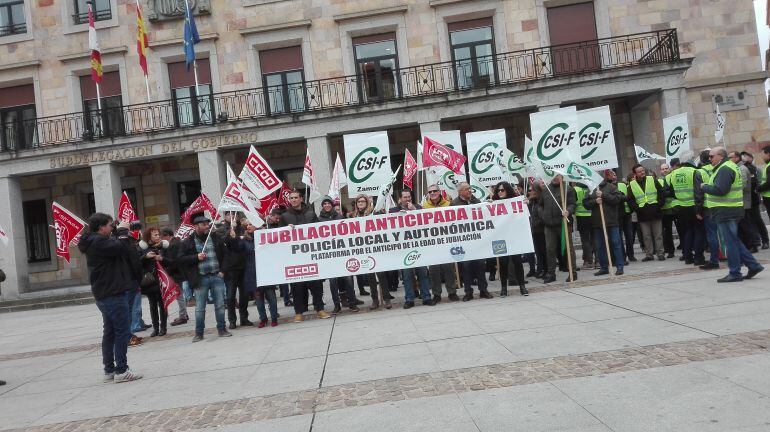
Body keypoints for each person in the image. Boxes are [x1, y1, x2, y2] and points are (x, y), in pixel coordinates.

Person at [78, 213, 142, 383]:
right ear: (101, 227)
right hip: (112, 292)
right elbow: (121, 248)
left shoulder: (93, 241)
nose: (112, 227)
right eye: (109, 225)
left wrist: (120, 234)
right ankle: (121, 370)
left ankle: (109, 369)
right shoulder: (99, 242)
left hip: (103, 292)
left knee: (110, 332)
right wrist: (122, 232)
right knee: (122, 331)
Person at [700, 147, 764, 282]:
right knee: (733, 240)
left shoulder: (725, 169)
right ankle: (753, 265)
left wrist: (704, 187)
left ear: (720, 156)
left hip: (726, 211)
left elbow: (720, 190)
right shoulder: (727, 167)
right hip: (728, 210)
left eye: (712, 156)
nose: (709, 159)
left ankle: (735, 272)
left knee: (731, 242)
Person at [178, 214, 232, 342]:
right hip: (200, 278)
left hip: (216, 276)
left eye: (208, 224)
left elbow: (226, 255)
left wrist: (223, 271)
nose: (207, 226)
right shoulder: (188, 241)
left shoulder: (215, 237)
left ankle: (222, 329)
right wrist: (196, 257)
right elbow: (180, 259)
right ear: (196, 226)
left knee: (220, 305)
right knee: (200, 308)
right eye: (203, 224)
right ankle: (199, 333)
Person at [281, 190, 332, 321]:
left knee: (316, 285)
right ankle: (298, 312)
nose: (293, 200)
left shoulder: (310, 214)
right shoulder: (285, 216)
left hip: (311, 255)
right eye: (291, 198)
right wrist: (285, 229)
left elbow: (320, 232)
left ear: (301, 198)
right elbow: (279, 236)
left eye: (296, 197)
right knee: (297, 286)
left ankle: (319, 309)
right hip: (294, 258)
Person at [390, 189, 435, 308]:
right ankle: (409, 299)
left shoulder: (418, 208)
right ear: (400, 199)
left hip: (418, 247)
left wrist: (414, 211)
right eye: (405, 197)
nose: (407, 199)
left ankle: (426, 297)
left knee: (422, 273)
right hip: (404, 249)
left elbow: (426, 221)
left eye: (409, 197)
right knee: (407, 276)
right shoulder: (393, 211)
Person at [349, 194, 393, 310]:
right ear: (356, 204)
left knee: (381, 275)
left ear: (367, 203)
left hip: (375, 248)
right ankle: (375, 300)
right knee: (370, 277)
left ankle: (386, 298)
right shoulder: (353, 216)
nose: (361, 203)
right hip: (363, 250)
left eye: (363, 201)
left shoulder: (374, 213)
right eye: (359, 202)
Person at [451, 182, 493, 300]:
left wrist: (488, 205)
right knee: (466, 267)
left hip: (477, 241)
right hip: (464, 241)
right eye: (466, 189)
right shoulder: (454, 204)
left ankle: (483, 290)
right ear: (460, 192)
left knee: (480, 265)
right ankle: (468, 292)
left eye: (470, 188)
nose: (470, 190)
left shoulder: (476, 201)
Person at [234, 217, 278, 327]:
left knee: (271, 297)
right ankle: (263, 318)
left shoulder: (265, 236)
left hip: (266, 272)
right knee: (258, 299)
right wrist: (234, 238)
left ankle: (274, 318)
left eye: (251, 224)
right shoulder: (244, 240)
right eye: (247, 225)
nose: (248, 226)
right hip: (253, 273)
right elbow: (237, 249)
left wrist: (288, 228)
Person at [319, 196, 360, 313]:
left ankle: (352, 303)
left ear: (332, 205)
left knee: (348, 279)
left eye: (328, 203)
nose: (327, 205)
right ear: (322, 205)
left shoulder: (340, 217)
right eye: (324, 203)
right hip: (329, 256)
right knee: (332, 282)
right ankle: (337, 305)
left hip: (342, 254)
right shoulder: (319, 219)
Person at [421, 184, 460, 302]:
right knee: (434, 270)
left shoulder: (448, 204)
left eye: (435, 191)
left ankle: (452, 292)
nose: (432, 193)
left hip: (446, 241)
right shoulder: (423, 207)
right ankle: (437, 294)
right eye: (430, 191)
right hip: (432, 243)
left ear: (439, 192)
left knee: (448, 268)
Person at [536, 175, 577, 283]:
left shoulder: (568, 189)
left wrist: (568, 211)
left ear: (562, 176)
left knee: (568, 249)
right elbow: (539, 205)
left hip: (563, 223)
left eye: (558, 175)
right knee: (550, 249)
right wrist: (543, 215)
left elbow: (573, 204)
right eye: (553, 175)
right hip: (549, 225)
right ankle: (551, 273)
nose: (555, 177)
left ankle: (573, 272)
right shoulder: (546, 190)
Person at [583, 171, 625, 276]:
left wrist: (604, 195)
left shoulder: (611, 187)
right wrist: (595, 202)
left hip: (612, 221)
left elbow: (617, 199)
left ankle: (619, 266)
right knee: (600, 246)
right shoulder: (591, 188)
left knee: (616, 244)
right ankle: (604, 267)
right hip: (598, 223)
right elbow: (586, 204)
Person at [492, 181, 528, 295]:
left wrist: (526, 203)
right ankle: (503, 288)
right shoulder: (494, 203)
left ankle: (522, 286)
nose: (500, 192)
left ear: (508, 190)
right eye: (498, 190)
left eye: (502, 190)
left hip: (514, 236)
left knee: (517, 261)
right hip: (501, 237)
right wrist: (488, 204)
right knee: (503, 263)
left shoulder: (516, 201)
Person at [668, 159, 705, 265]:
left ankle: (687, 256)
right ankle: (698, 257)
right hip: (694, 206)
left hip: (682, 207)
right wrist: (699, 209)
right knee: (698, 232)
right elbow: (698, 192)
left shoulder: (673, 174)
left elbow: (671, 191)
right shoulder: (694, 172)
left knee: (688, 231)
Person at [626, 164, 666, 262]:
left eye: (643, 170)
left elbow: (661, 192)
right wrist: (637, 209)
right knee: (646, 236)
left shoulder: (652, 179)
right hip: (642, 213)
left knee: (658, 235)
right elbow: (630, 200)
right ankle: (649, 254)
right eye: (639, 171)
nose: (642, 172)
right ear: (635, 174)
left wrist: (659, 205)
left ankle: (660, 253)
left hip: (655, 211)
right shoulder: (632, 184)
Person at [139, 227, 169, 337]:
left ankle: (163, 327)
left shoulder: (164, 248)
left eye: (158, 234)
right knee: (152, 305)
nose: (158, 236)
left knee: (162, 305)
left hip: (162, 280)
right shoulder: (143, 249)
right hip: (150, 281)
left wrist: (162, 259)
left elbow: (172, 262)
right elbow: (138, 263)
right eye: (155, 235)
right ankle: (155, 328)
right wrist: (145, 257)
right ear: (148, 237)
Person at [160, 228, 189, 326]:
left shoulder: (173, 245)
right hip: (179, 271)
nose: (162, 239)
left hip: (176, 272)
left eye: (163, 236)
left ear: (167, 235)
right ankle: (184, 314)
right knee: (180, 293)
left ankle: (183, 315)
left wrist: (162, 258)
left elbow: (171, 261)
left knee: (179, 294)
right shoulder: (177, 242)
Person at [741, 151, 769, 249]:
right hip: (745, 200)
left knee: (757, 220)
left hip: (753, 199)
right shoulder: (741, 167)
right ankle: (755, 240)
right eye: (743, 156)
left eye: (746, 156)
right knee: (749, 221)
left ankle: (764, 240)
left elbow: (753, 184)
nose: (744, 157)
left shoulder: (751, 168)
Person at [573, 183, 595, 269]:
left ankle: (588, 261)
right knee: (594, 238)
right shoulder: (592, 186)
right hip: (593, 215)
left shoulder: (576, 189)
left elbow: (573, 202)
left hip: (581, 217)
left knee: (585, 240)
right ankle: (597, 261)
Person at [528, 185, 547, 278]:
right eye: (530, 191)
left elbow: (544, 216)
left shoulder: (541, 202)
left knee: (544, 251)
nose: (530, 192)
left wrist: (536, 223)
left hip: (541, 230)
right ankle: (540, 269)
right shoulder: (531, 202)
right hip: (534, 231)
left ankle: (546, 270)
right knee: (538, 252)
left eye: (532, 190)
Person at [659, 163, 677, 258]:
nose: (665, 170)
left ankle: (684, 249)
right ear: (660, 171)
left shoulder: (673, 177)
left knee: (681, 230)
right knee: (668, 232)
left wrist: (665, 193)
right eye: (663, 169)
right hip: (665, 210)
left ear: (669, 169)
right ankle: (670, 251)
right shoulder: (659, 181)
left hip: (675, 208)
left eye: (666, 168)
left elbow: (674, 191)